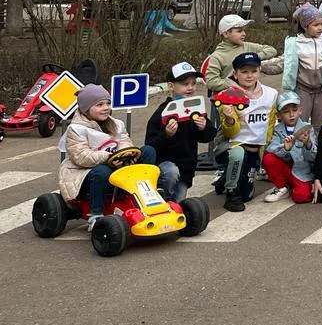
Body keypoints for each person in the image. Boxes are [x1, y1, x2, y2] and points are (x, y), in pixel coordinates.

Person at [60, 85, 159, 229]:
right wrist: (108, 157)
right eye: (99, 105)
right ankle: (96, 215)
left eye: (108, 103)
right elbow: (81, 157)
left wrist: (127, 154)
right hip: (85, 173)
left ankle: (148, 197)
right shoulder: (76, 129)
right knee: (103, 171)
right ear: (85, 109)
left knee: (148, 151)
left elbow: (125, 141)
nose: (106, 107)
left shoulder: (117, 124)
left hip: (117, 166)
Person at [212, 52, 279, 212]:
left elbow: (269, 124)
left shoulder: (271, 94)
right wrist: (229, 119)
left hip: (255, 148)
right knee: (238, 155)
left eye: (253, 71)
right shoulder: (227, 96)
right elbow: (230, 133)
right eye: (244, 72)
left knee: (247, 196)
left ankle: (225, 178)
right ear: (235, 74)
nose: (249, 76)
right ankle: (230, 193)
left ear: (259, 71)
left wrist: (266, 148)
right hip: (232, 145)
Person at [146, 62, 218, 201]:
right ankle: (161, 198)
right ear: (171, 86)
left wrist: (204, 126)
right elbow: (150, 145)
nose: (190, 87)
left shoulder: (194, 109)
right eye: (185, 84)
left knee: (179, 206)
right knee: (171, 178)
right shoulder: (162, 112)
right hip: (165, 167)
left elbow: (208, 136)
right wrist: (166, 135)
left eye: (193, 83)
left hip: (186, 168)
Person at [282, 4, 322, 125]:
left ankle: (318, 144)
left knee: (321, 123)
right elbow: (287, 62)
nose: (320, 28)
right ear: (305, 26)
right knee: (299, 122)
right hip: (302, 89)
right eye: (316, 25)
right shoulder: (296, 43)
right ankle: (300, 143)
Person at [205, 14, 279, 93]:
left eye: (244, 30)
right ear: (226, 34)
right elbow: (211, 82)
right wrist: (232, 84)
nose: (244, 33)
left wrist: (254, 57)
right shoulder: (218, 56)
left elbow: (271, 50)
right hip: (228, 100)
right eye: (239, 31)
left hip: (250, 95)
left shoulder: (247, 46)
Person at [261, 92, 314, 204]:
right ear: (279, 116)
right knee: (268, 158)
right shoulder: (277, 129)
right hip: (285, 168)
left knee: (301, 197)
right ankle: (282, 186)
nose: (291, 115)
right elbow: (271, 149)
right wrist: (285, 148)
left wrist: (308, 144)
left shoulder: (307, 128)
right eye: (286, 111)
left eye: (294, 110)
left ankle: (295, 186)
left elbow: (314, 156)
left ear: (300, 110)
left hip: (301, 171)